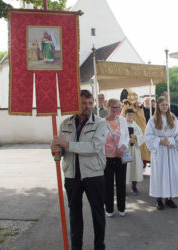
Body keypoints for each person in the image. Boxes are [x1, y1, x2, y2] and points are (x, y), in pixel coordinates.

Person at [51, 89, 107, 250]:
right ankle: (76, 246)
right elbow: (60, 153)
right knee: (74, 215)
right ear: (77, 103)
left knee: (98, 214)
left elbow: (94, 147)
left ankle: (99, 246)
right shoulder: (65, 124)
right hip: (72, 175)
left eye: (90, 103)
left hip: (93, 174)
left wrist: (66, 144)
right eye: (83, 103)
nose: (87, 106)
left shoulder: (100, 123)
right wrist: (54, 148)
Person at [145, 96, 178, 210]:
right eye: (162, 105)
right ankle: (158, 199)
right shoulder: (152, 120)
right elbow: (148, 136)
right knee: (160, 173)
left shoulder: (173, 118)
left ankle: (169, 198)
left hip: (171, 149)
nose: (165, 107)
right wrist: (159, 141)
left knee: (171, 173)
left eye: (166, 105)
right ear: (158, 106)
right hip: (160, 150)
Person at [104, 99, 130, 218]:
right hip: (107, 157)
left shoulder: (122, 120)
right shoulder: (102, 122)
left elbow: (126, 136)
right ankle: (109, 208)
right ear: (107, 108)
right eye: (113, 107)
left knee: (121, 183)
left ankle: (121, 207)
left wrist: (122, 148)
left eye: (117, 107)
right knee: (108, 185)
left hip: (120, 155)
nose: (115, 110)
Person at [124, 109, 145, 194]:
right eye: (128, 115)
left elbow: (142, 137)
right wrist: (128, 139)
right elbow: (119, 136)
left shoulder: (136, 126)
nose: (130, 116)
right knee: (125, 169)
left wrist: (136, 137)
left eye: (132, 115)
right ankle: (123, 187)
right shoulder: (122, 125)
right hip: (125, 149)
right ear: (125, 115)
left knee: (134, 168)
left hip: (135, 150)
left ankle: (134, 186)